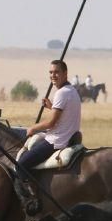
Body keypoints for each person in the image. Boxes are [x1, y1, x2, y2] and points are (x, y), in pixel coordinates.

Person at [16, 60, 82, 205]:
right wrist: (52, 107)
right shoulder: (72, 91)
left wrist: (33, 128)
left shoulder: (61, 93)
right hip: (68, 136)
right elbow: (62, 117)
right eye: (51, 72)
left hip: (57, 141)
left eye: (57, 72)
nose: (53, 75)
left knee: (21, 165)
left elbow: (51, 123)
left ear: (65, 73)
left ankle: (32, 200)